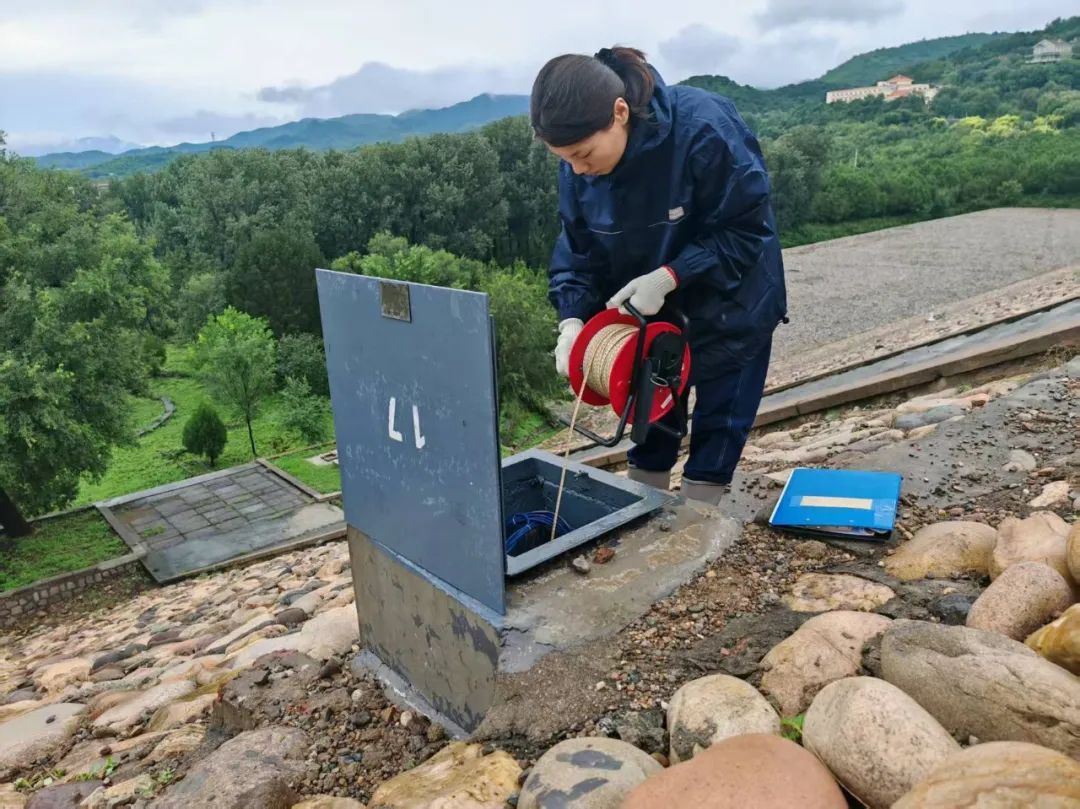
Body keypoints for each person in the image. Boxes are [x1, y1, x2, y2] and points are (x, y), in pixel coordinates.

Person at [530, 46, 787, 505]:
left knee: (719, 427)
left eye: (583, 154)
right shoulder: (579, 165)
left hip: (733, 306)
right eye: (565, 159)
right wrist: (571, 320)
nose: (577, 169)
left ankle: (697, 529)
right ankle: (642, 518)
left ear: (620, 112)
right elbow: (578, 249)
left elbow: (747, 231)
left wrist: (670, 275)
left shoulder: (705, 129)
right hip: (652, 322)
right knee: (650, 427)